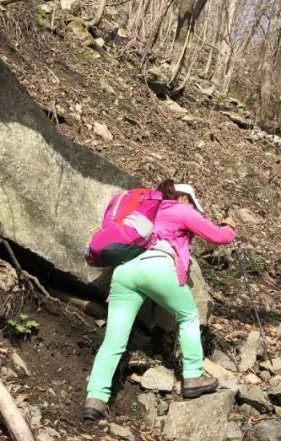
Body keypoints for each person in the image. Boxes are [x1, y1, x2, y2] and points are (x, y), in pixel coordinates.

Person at [82, 180, 237, 422]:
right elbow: (217, 237)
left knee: (114, 340)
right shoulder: (180, 209)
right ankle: (193, 376)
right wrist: (229, 228)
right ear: (185, 198)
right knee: (188, 316)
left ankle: (95, 398)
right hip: (157, 267)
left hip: (124, 272)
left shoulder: (144, 212)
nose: (194, 210)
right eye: (194, 205)